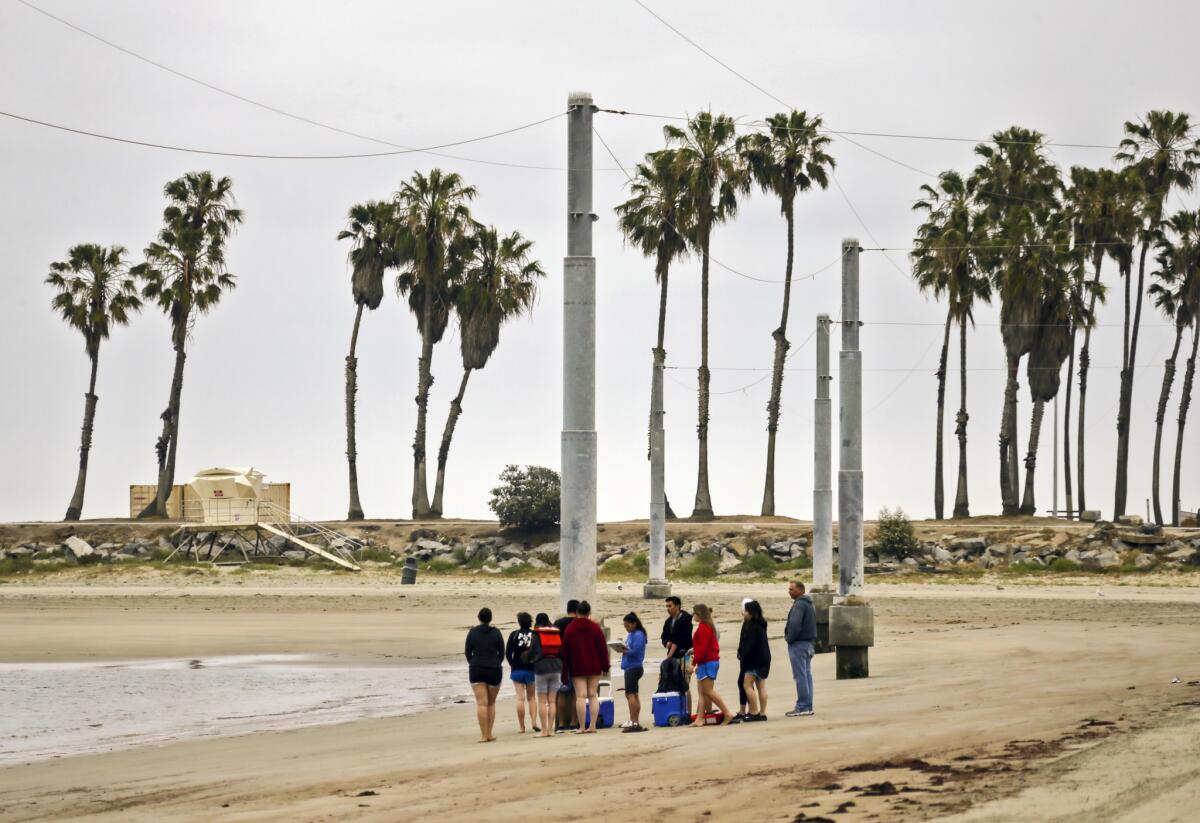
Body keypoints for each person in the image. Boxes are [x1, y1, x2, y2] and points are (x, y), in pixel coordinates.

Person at [561, 600, 609, 733]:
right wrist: (605, 667)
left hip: (577, 666)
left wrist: (564, 672)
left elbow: (565, 652)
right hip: (594, 665)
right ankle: (592, 726)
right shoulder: (595, 628)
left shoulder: (570, 629)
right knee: (593, 695)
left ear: (577, 612)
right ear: (589, 613)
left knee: (580, 696)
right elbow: (602, 649)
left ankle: (582, 727)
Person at [464, 607, 504, 742]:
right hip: (494, 668)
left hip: (477, 668)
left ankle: (483, 735)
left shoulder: (472, 632)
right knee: (491, 703)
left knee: (481, 703)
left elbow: (467, 652)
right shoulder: (497, 633)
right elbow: (502, 653)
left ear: (479, 618)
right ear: (490, 618)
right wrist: (496, 662)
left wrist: (473, 662)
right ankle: (489, 733)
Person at [689, 603, 732, 727]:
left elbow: (702, 650)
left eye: (694, 613)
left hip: (708, 662)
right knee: (702, 691)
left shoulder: (704, 628)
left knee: (708, 691)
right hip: (705, 662)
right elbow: (701, 649)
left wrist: (693, 663)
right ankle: (700, 718)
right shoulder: (705, 626)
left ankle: (727, 713)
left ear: (699, 614)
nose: (693, 615)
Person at [784, 580, 816, 717]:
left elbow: (795, 625)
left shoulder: (800, 605)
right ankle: (807, 705)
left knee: (800, 676)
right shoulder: (809, 604)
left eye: (791, 589)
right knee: (806, 675)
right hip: (809, 644)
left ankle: (803, 706)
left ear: (800, 590)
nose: (789, 591)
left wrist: (789, 638)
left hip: (799, 644)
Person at [529, 612, 563, 738]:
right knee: (552, 701)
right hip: (556, 667)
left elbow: (532, 651)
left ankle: (544, 730)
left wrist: (529, 660)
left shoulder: (536, 634)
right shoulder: (555, 632)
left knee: (542, 701)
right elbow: (561, 651)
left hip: (541, 668)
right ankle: (550, 729)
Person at [737, 599, 771, 721]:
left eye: (745, 611)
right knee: (761, 686)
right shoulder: (761, 623)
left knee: (747, 685)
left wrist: (743, 658)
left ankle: (754, 712)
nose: (743, 613)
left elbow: (749, 647)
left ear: (751, 612)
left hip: (753, 661)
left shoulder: (752, 626)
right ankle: (762, 712)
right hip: (764, 659)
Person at [505, 611, 537, 733]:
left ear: (519, 622)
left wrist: (512, 664)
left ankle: (522, 727)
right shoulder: (534, 634)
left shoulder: (514, 634)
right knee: (532, 698)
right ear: (530, 621)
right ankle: (534, 722)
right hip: (531, 669)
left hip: (517, 669)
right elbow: (538, 652)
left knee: (520, 699)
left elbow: (508, 653)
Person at [661, 596, 694, 713]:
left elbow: (679, 639)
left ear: (678, 606)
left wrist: (669, 655)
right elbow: (664, 636)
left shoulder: (685, 620)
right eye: (667, 606)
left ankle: (688, 713)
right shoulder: (668, 621)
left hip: (684, 655)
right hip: (673, 655)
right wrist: (666, 643)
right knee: (674, 684)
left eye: (670, 606)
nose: (668, 608)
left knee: (685, 685)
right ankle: (678, 711)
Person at [619, 612, 648, 732]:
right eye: (625, 626)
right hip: (630, 667)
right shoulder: (632, 634)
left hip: (634, 667)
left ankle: (634, 721)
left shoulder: (638, 635)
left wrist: (624, 650)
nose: (627, 629)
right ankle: (635, 721)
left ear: (634, 624)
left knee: (630, 694)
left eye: (628, 626)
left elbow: (636, 651)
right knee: (634, 694)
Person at [554, 600, 580, 731]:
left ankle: (561, 723)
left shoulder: (558, 624)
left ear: (567, 609)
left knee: (562, 692)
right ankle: (574, 722)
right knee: (576, 693)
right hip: (577, 661)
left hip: (561, 661)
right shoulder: (578, 623)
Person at [735, 596, 753, 720]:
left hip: (749, 659)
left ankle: (751, 709)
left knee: (745, 684)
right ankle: (745, 709)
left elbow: (748, 642)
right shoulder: (747, 622)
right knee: (744, 684)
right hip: (744, 658)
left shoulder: (752, 624)